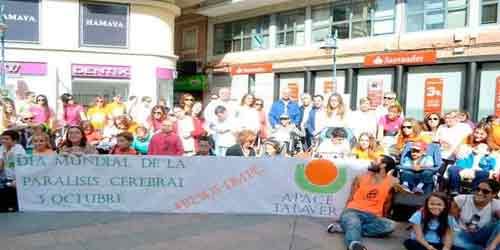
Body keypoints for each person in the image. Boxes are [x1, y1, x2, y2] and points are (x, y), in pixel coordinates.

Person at [329, 156, 398, 250]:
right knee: (354, 222)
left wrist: (384, 216)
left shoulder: (393, 182)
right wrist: (342, 214)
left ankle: (345, 228)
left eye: (375, 160)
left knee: (391, 225)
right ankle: (354, 244)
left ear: (383, 165)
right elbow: (351, 196)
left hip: (373, 216)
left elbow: (388, 202)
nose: (372, 162)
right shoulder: (360, 177)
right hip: (353, 211)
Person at [450, 179, 500, 250]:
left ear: (494, 194)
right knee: (455, 241)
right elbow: (450, 220)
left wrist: (493, 244)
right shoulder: (462, 199)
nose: (479, 193)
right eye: (477, 189)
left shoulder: (496, 204)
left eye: (485, 191)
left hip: (484, 234)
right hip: (463, 234)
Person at [0, 130, 26, 212]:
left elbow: (22, 167)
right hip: (4, 178)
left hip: (15, 179)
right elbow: (0, 165)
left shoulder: (19, 149)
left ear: (15, 141)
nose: (3, 141)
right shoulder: (1, 148)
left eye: (7, 139)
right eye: (2, 139)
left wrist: (17, 180)